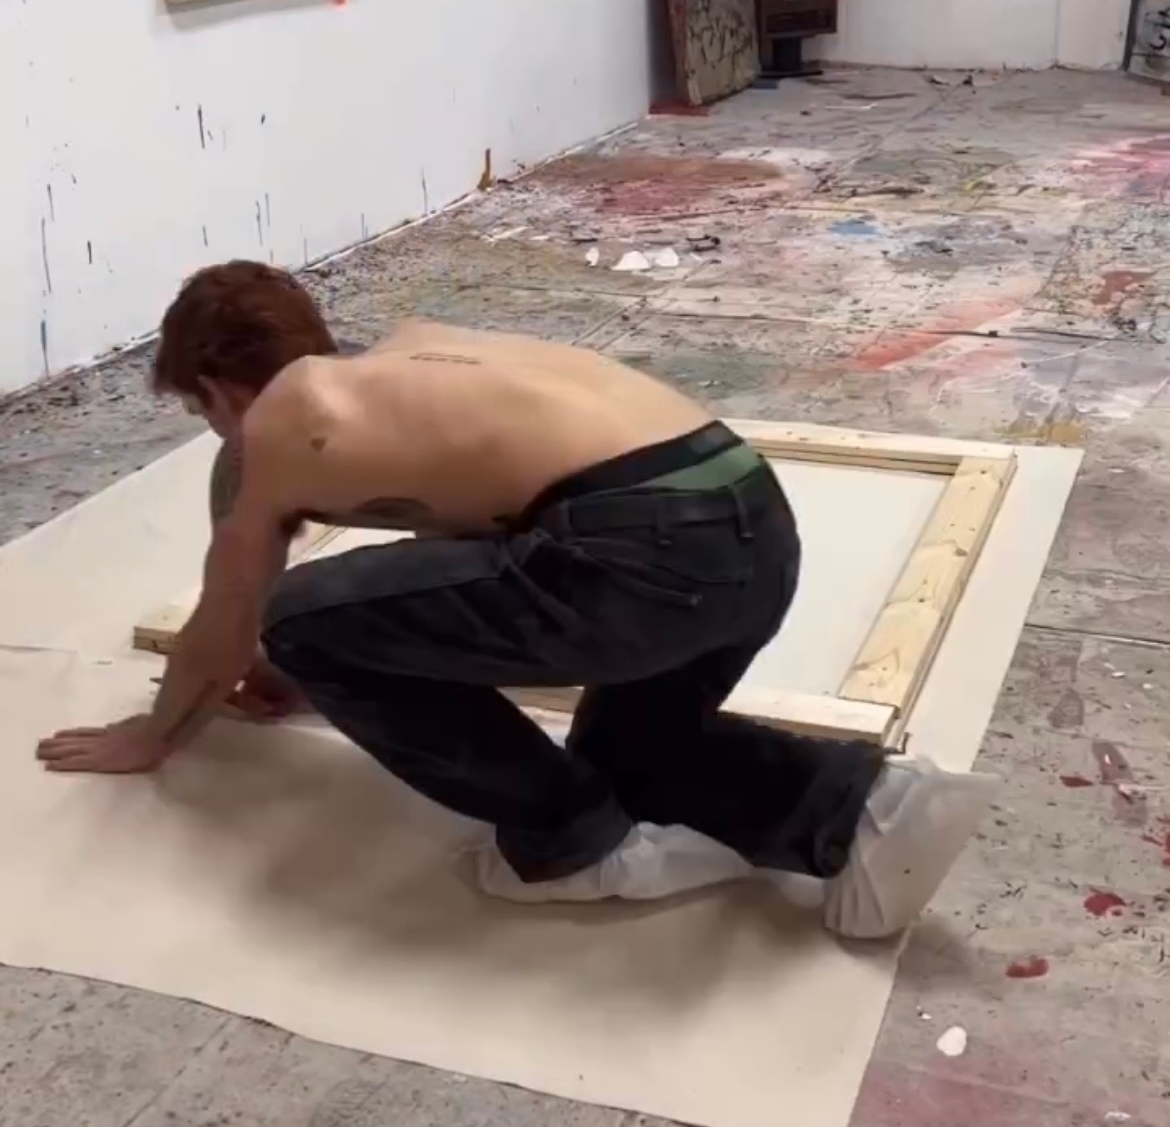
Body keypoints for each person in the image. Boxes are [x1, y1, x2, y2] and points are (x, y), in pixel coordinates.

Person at [36, 261, 995, 936]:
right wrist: (339, 660)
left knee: (297, 616)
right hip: (750, 526)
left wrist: (154, 736)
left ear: (219, 391)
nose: (214, 430)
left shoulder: (277, 423)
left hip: (643, 552)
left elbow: (227, 626)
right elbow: (465, 568)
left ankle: (568, 848)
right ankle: (871, 806)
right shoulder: (417, 361)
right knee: (623, 762)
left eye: (199, 410)